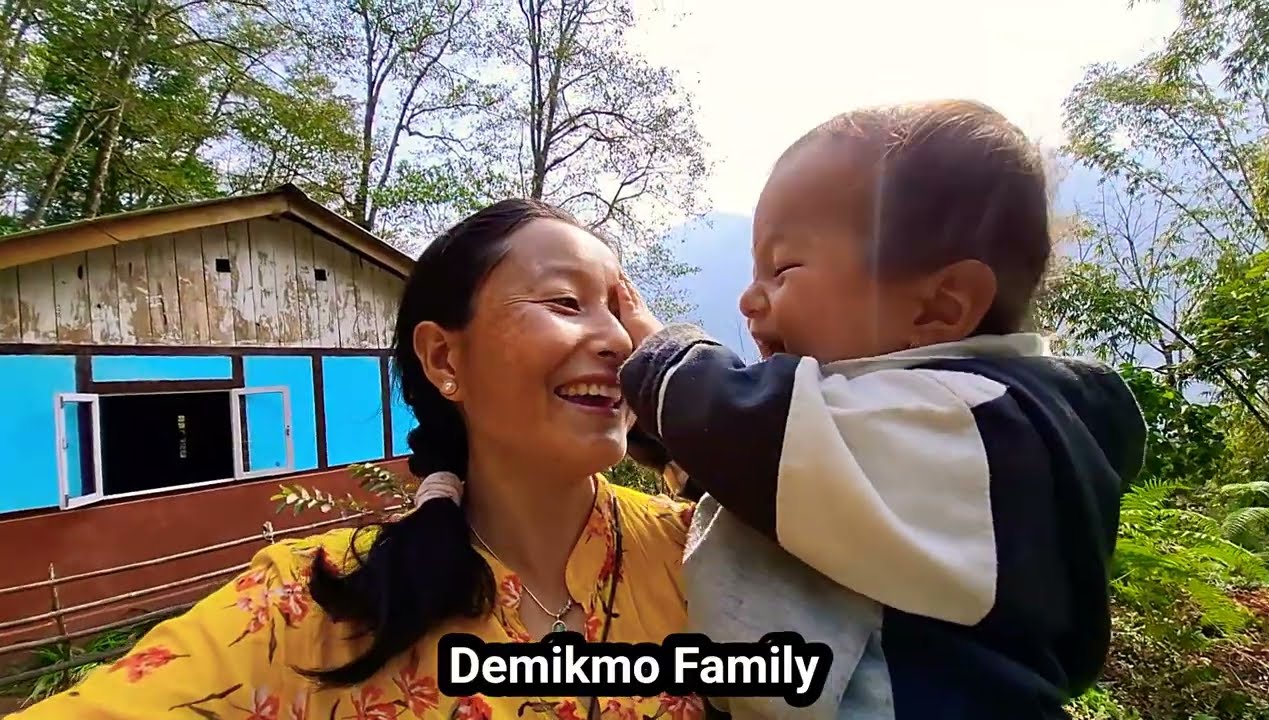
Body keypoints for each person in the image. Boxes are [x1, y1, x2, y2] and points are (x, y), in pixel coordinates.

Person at [12, 199, 704, 720]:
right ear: (444, 359)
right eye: (565, 302)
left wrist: (684, 399)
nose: (619, 341)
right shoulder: (312, 606)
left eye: (620, 315)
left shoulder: (695, 558)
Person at [615, 100, 1149, 719]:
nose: (747, 299)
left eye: (783, 268)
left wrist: (664, 361)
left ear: (939, 308)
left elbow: (760, 437)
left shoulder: (982, 424)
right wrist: (662, 436)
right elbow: (777, 491)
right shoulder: (892, 438)